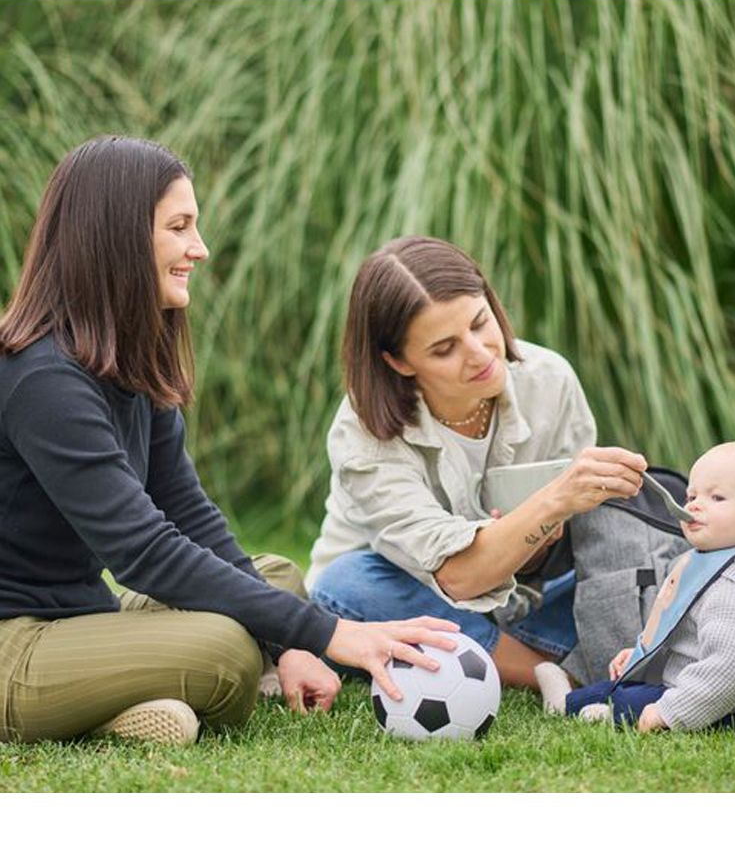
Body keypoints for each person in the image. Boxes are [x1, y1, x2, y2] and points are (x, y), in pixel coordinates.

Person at [0, 137, 459, 746]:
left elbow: (189, 515)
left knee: (275, 576)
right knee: (223, 651)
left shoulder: (128, 362)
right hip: (15, 645)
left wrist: (288, 642)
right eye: (179, 227)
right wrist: (328, 634)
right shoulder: (42, 379)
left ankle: (125, 702)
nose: (200, 248)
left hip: (84, 615)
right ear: (117, 237)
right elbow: (144, 553)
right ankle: (114, 701)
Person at [306, 235, 648, 688]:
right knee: (346, 584)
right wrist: (552, 502)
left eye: (480, 322)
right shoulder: (363, 430)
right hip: (404, 597)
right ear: (399, 362)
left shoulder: (549, 379)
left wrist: (546, 537)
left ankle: (518, 652)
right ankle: (552, 669)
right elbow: (458, 577)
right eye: (444, 349)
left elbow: (553, 555)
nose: (480, 352)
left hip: (519, 599)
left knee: (624, 567)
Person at [535, 440, 735, 731]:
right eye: (692, 495)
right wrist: (639, 654)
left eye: (717, 497)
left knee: (634, 700)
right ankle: (566, 704)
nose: (694, 505)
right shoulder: (712, 563)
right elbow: (684, 634)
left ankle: (606, 713)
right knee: (616, 688)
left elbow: (728, 672)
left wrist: (669, 713)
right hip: (695, 686)